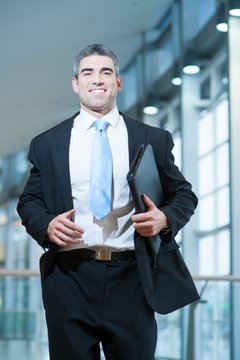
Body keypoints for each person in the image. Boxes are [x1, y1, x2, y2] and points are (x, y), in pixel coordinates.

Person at [17, 44, 199, 360]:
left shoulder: (151, 138)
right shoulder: (48, 143)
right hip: (69, 276)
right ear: (76, 83)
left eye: (106, 72)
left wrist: (164, 219)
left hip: (132, 276)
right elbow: (29, 200)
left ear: (118, 82)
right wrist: (46, 224)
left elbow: (184, 194)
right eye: (88, 72)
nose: (97, 79)